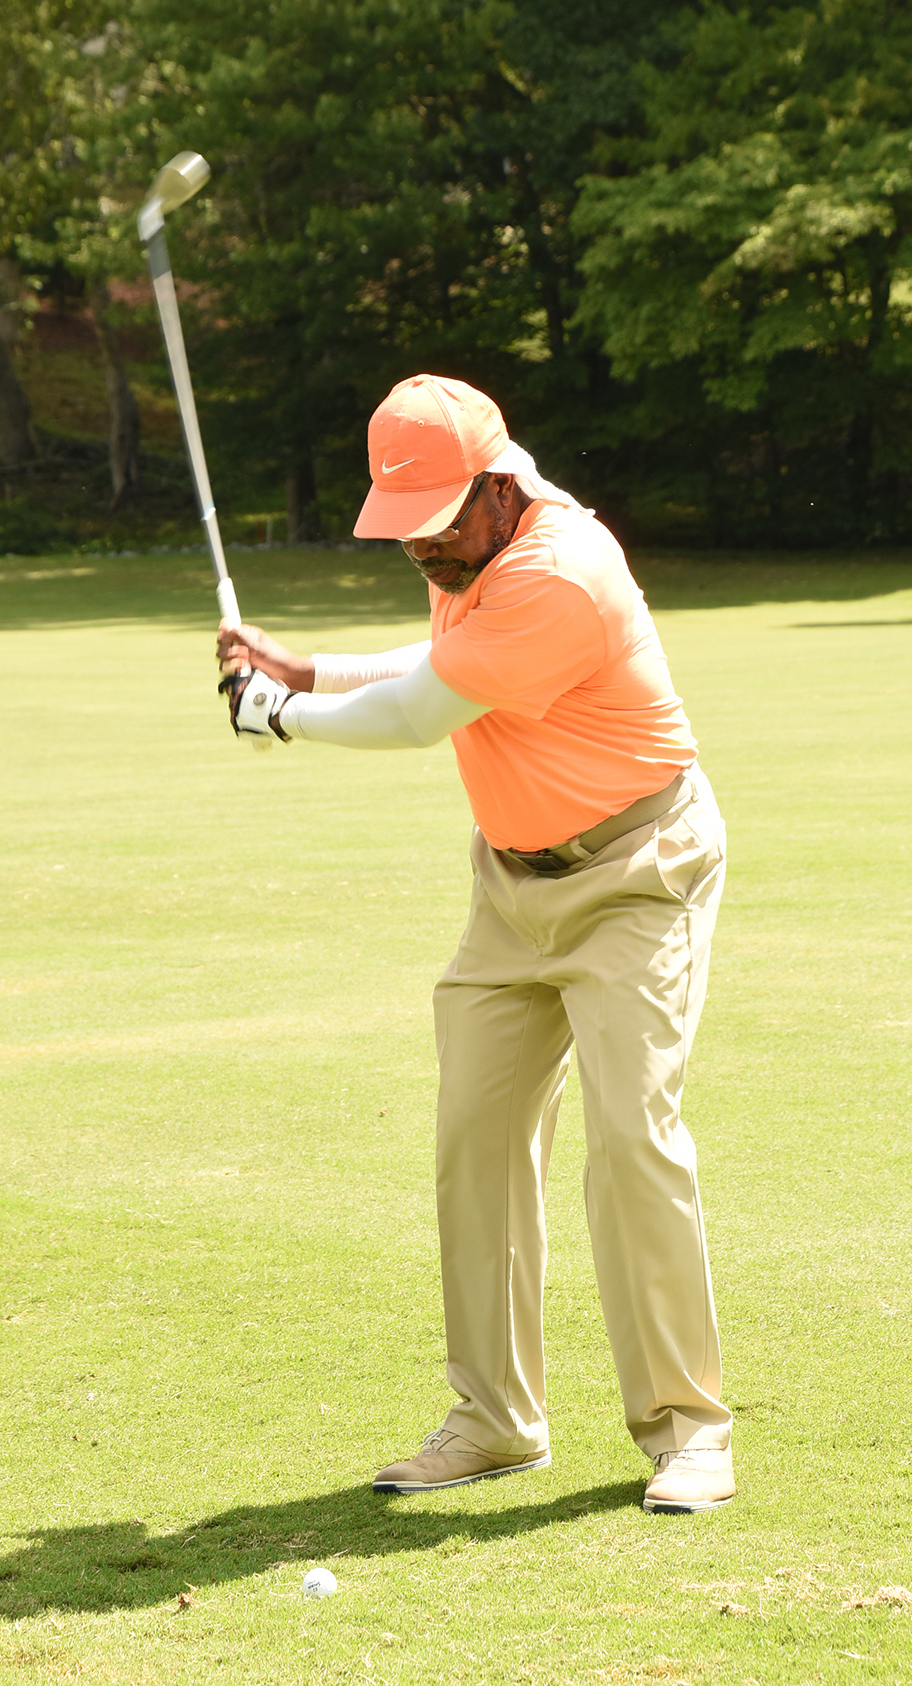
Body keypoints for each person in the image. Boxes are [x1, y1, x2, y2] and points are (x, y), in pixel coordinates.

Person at [217, 374, 734, 1514]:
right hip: (512, 885)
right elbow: (442, 661)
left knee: (631, 1139)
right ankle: (495, 1420)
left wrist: (279, 716)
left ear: (500, 487)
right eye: (405, 528)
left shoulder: (560, 570)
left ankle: (689, 1430)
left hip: (635, 874)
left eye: (439, 522)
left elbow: (422, 714)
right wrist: (311, 672)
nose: (422, 547)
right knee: (476, 1139)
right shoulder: (472, 554)